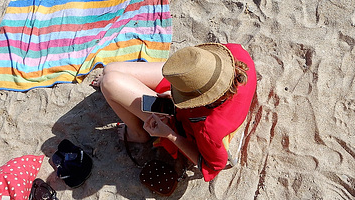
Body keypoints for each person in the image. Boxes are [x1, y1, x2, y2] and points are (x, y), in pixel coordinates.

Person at [97, 43, 256, 181]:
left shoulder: (209, 130)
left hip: (182, 120)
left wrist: (169, 135)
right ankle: (118, 87)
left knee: (109, 82)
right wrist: (177, 94)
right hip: (196, 84)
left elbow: (213, 167)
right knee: (110, 70)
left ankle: (138, 133)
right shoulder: (234, 55)